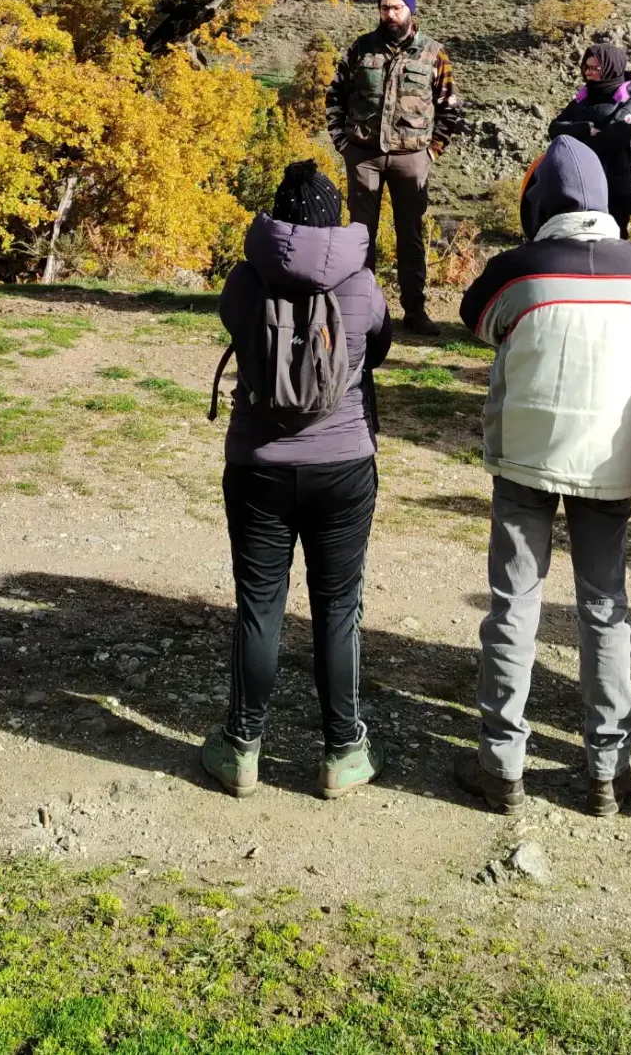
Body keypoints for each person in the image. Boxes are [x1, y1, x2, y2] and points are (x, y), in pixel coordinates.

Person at [454, 137, 631, 817]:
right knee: (605, 607)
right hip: (612, 459)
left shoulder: (519, 269)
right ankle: (608, 767)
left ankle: (502, 763)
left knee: (515, 601)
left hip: (527, 450)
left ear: (539, 199)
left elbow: (478, 322)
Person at [204, 161, 391, 799]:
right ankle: (342, 751)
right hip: (343, 466)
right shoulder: (363, 287)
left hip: (257, 463)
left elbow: (236, 325)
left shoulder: (244, 280)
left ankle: (241, 748)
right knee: (339, 608)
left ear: (277, 219)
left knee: (259, 604)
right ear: (336, 222)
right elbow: (378, 348)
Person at [327, 0, 464, 339]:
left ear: (409, 10)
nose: (389, 14)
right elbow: (335, 96)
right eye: (384, 7)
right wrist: (344, 144)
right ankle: (361, 309)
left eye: (396, 8)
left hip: (411, 158)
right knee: (360, 236)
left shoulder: (434, 54)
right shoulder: (361, 48)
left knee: (411, 236)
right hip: (364, 156)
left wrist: (431, 152)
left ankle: (415, 311)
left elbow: (450, 109)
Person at [547, 36, 631, 238]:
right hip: (580, 181)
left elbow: (617, 135)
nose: (588, 72)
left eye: (595, 68)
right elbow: (554, 129)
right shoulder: (584, 97)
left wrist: (577, 139)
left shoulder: (629, 97)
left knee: (613, 241)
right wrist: (586, 129)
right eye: (587, 66)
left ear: (611, 68)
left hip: (615, 184)